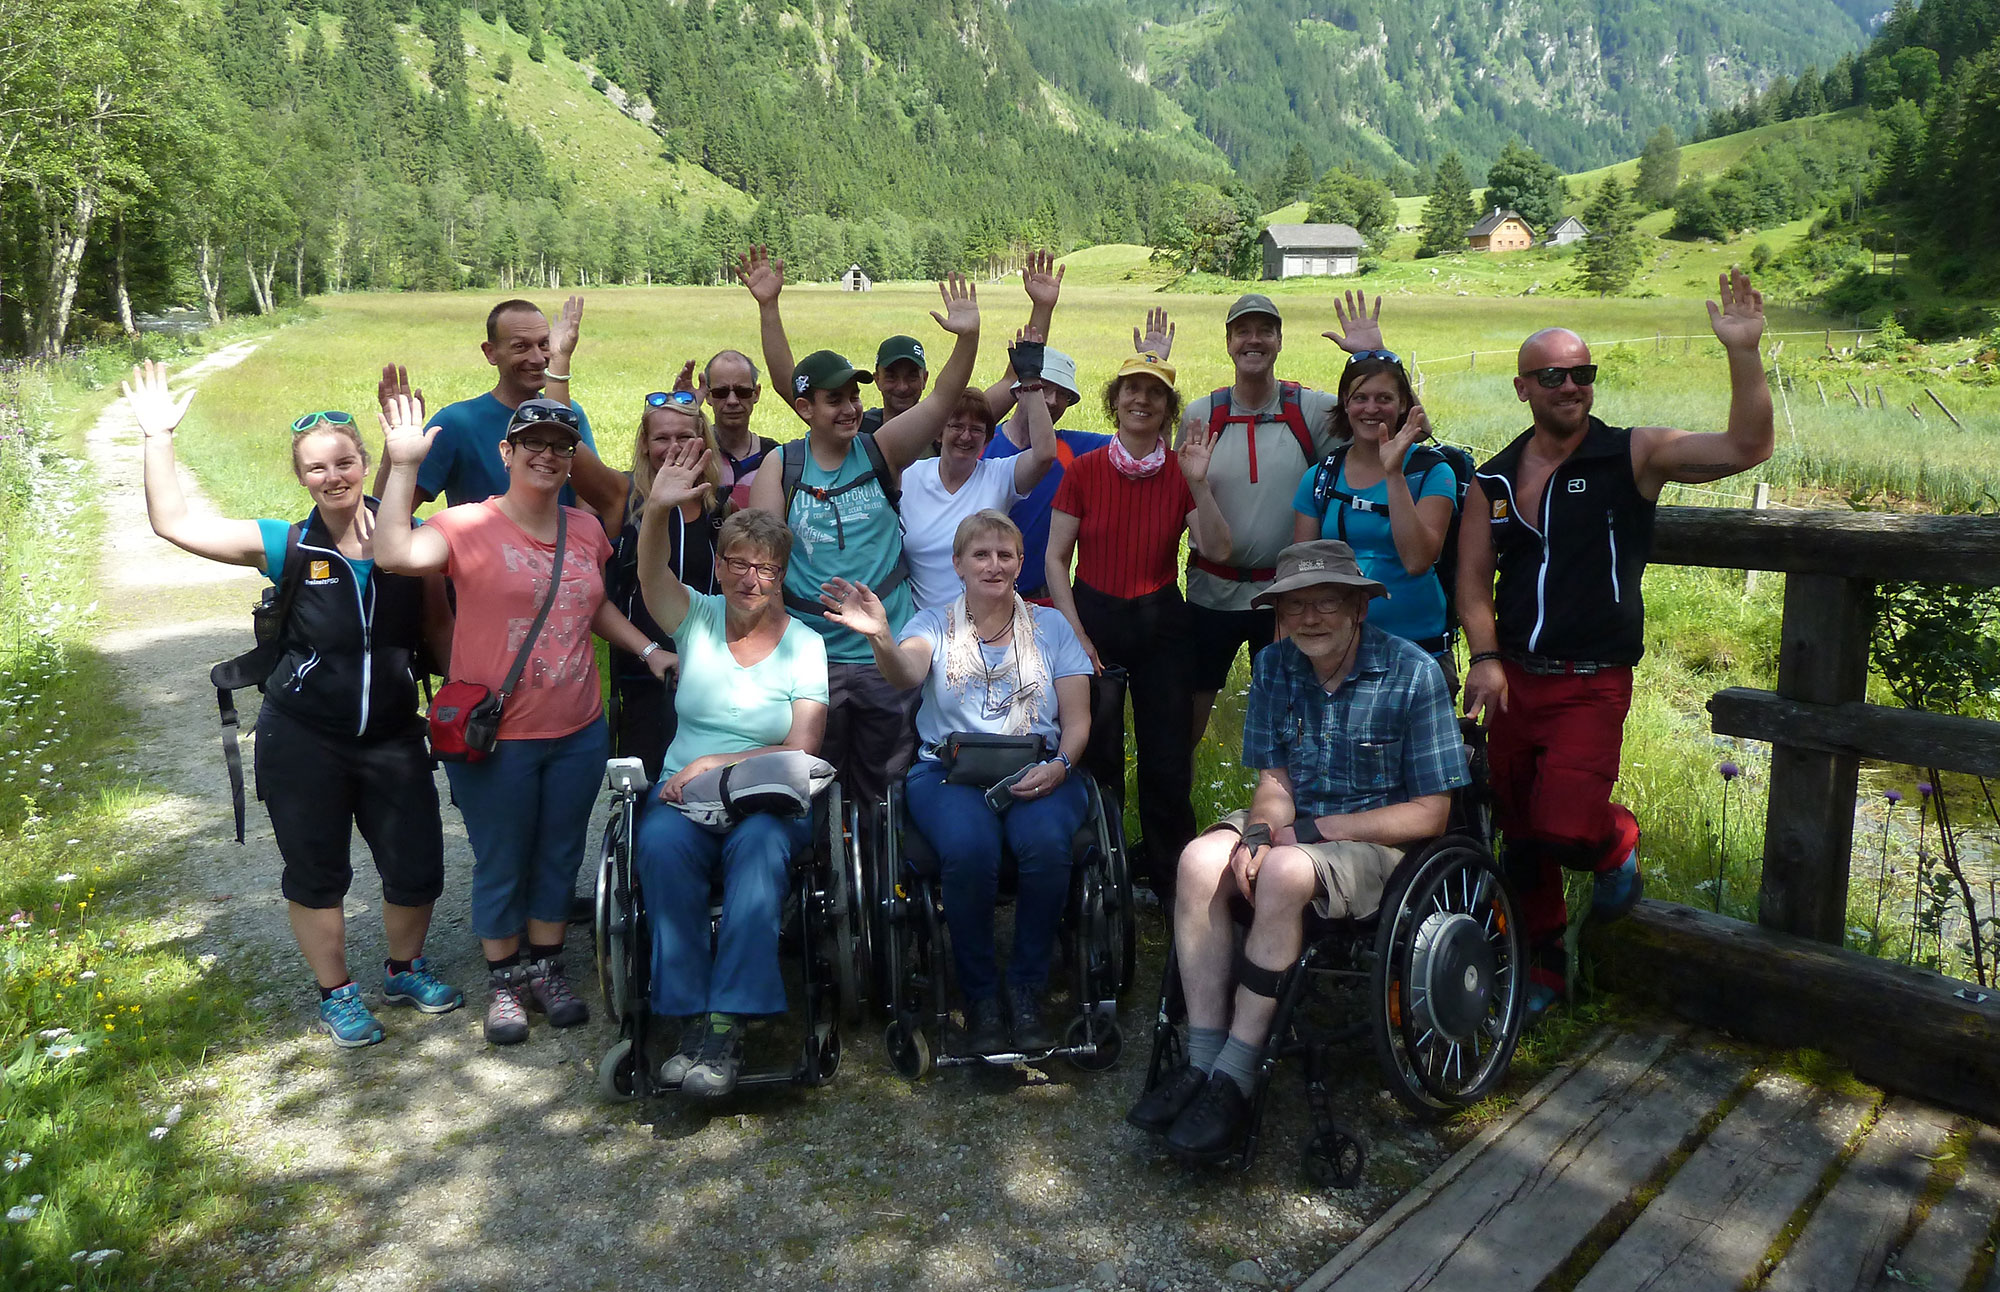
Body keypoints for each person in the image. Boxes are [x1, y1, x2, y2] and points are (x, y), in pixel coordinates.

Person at [1457, 269, 1775, 1019]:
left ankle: (1616, 839)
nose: (1572, 386)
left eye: (1584, 374)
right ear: (1523, 388)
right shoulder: (1492, 481)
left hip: (1591, 681)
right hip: (1513, 683)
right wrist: (1487, 657)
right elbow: (1472, 586)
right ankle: (1543, 972)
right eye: (1554, 375)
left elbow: (1747, 446)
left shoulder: (1633, 454)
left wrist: (1742, 352)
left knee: (1565, 823)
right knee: (1519, 831)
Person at [126, 361, 461, 1048]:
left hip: (395, 734)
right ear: (302, 478)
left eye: (344, 462)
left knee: (417, 864)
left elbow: (437, 631)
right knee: (317, 871)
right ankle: (337, 994)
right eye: (317, 469)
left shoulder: (414, 542)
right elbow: (174, 523)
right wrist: (158, 438)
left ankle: (404, 969)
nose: (333, 477)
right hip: (304, 736)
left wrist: (460, 697)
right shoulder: (287, 543)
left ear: (367, 463)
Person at [1127, 541, 1468, 1158]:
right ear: (1279, 615)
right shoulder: (1277, 667)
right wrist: (1257, 835)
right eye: (1295, 606)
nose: (1310, 618)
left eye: (1326, 603)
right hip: (1296, 830)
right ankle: (1201, 1059)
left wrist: (1316, 834)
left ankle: (1237, 1072)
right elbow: (1275, 784)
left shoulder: (1412, 674)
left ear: (1359, 607)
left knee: (1283, 873)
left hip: (1377, 843)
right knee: (1199, 860)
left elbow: (1433, 813)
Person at [374, 392, 673, 1045]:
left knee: (560, 853)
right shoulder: (467, 526)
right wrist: (402, 467)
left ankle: (547, 967)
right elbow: (392, 553)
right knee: (503, 857)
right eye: (532, 443)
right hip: (498, 734)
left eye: (561, 446)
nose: (547, 454)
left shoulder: (586, 530)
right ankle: (505, 980)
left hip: (578, 727)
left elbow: (585, 605)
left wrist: (647, 649)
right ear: (505, 453)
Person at [822, 511, 1092, 1055]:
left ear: (1020, 563)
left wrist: (1061, 765)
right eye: (981, 555)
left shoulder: (1053, 628)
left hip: (1040, 766)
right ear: (958, 564)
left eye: (1005, 555)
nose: (994, 565)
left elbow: (1079, 720)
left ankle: (1026, 990)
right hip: (948, 772)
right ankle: (982, 997)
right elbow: (905, 672)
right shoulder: (931, 624)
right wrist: (881, 638)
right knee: (969, 849)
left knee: (1044, 844)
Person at [630, 446, 830, 1098]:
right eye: (738, 563)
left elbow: (802, 748)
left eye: (766, 568)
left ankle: (726, 1021)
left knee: (763, 848)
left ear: (782, 575)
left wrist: (723, 760)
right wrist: (658, 508)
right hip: (682, 796)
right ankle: (687, 1016)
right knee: (658, 844)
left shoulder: (806, 645)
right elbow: (650, 567)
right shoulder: (696, 616)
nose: (751, 578)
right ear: (719, 567)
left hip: (766, 800)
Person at [746, 273, 983, 809]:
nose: (851, 407)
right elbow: (763, 574)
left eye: (855, 395)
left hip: (886, 654)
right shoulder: (781, 468)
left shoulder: (882, 450)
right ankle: (823, 877)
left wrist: (967, 339)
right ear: (805, 408)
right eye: (835, 399)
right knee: (813, 785)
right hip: (813, 661)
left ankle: (885, 879)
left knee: (886, 787)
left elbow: (943, 400)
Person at [1044, 353, 1228, 902]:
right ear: (1114, 400)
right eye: (1131, 390)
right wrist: (1075, 634)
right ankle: (1099, 875)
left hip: (1162, 621)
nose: (1141, 400)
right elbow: (1056, 559)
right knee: (1097, 756)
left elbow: (1218, 548)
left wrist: (1199, 484)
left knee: (1167, 760)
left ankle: (1175, 888)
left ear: (1168, 407)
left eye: (1154, 392)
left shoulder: (1182, 472)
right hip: (1094, 616)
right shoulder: (1084, 469)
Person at [1178, 292, 1389, 744]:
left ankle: (1287, 810)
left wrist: (1374, 355)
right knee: (1188, 717)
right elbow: (1178, 499)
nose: (1253, 340)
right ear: (1229, 341)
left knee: (1294, 719)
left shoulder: (1309, 409)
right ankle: (1179, 809)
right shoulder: (1201, 414)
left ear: (1279, 340)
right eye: (1243, 331)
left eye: (1264, 331)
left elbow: (1391, 426)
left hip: (1290, 596)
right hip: (1210, 593)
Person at [565, 386, 728, 778]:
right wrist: (560, 366)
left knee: (706, 779)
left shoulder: (721, 506)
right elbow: (567, 440)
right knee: (648, 789)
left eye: (685, 436)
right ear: (644, 442)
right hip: (646, 672)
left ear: (703, 441)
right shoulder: (622, 496)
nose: (673, 446)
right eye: (662, 438)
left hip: (710, 675)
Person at [1291, 353, 1459, 670]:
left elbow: (1417, 560)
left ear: (1403, 404)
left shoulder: (1433, 472)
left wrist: (1393, 473)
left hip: (1419, 651)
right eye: (1360, 398)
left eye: (1384, 398)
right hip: (1337, 651)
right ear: (1344, 402)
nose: (1371, 409)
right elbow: (1303, 575)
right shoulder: (1320, 477)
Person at [373, 297, 599, 508]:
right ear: (490, 353)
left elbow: (592, 499)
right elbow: (386, 512)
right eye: (521, 346)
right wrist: (394, 444)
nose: (538, 358)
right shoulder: (457, 423)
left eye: (544, 344)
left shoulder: (570, 414)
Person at [899, 336, 1057, 611]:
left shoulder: (998, 475)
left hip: (987, 622)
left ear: (987, 439)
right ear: (939, 432)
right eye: (956, 426)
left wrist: (1031, 383)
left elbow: (1044, 454)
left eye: (976, 429)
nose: (965, 436)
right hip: (925, 628)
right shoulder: (909, 476)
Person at [738, 246, 938, 438]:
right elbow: (787, 385)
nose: (902, 387)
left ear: (925, 379)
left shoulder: (945, 432)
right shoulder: (855, 428)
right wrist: (768, 306)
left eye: (911, 377)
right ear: (877, 379)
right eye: (892, 377)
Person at [702, 349, 780, 506]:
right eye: (721, 392)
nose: (732, 401)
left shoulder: (775, 458)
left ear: (756, 393)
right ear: (707, 396)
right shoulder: (695, 453)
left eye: (742, 392)